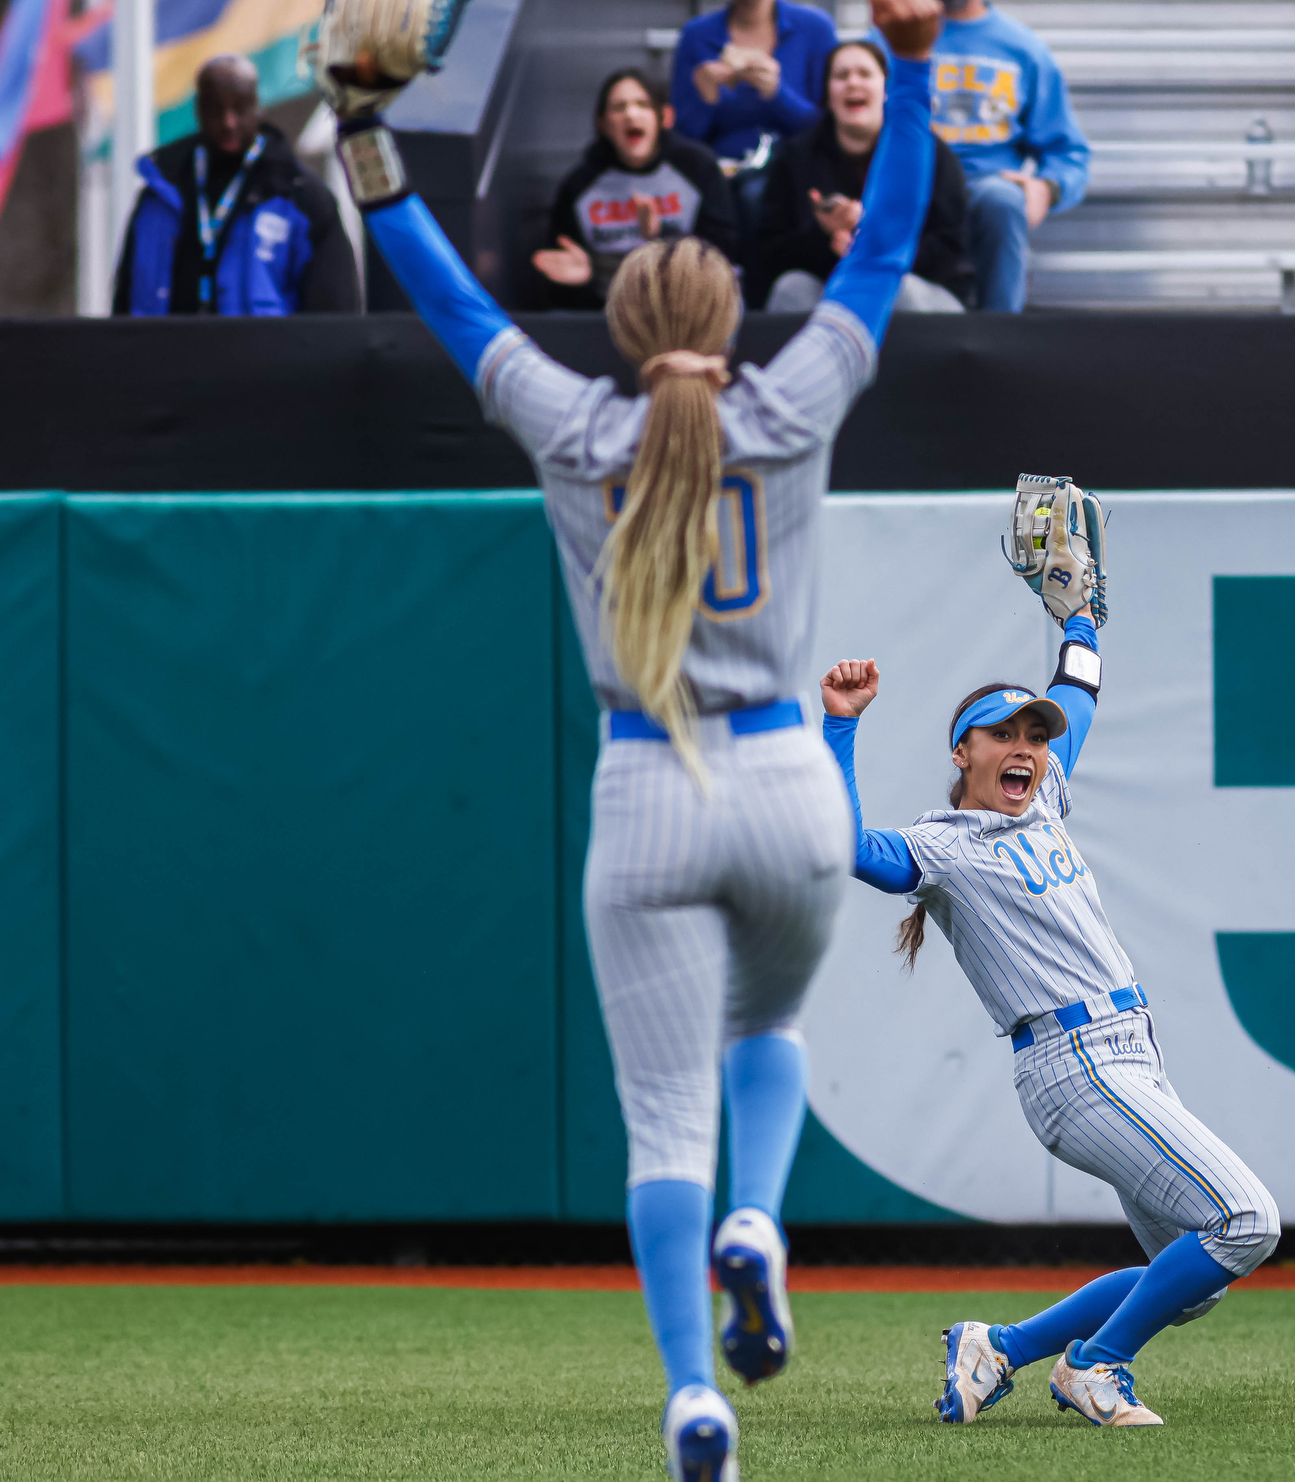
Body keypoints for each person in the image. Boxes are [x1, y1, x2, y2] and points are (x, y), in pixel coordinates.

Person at [318, 0, 944, 1474]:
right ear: (725, 319)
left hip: (646, 784)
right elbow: (882, 249)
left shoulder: (572, 425)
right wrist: (909, 67)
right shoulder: (791, 404)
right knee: (768, 1029)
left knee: (663, 1117)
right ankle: (758, 1220)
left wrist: (360, 137)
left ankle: (692, 1396)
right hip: (790, 777)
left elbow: (447, 299)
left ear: (621, 323)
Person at [817, 482, 1280, 1428]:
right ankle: (1097, 1366)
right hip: (1073, 1066)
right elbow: (844, 845)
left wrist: (1077, 618)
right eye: (1005, 735)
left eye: (1034, 735)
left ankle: (1001, 1349)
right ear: (963, 752)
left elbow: (1077, 691)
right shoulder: (943, 844)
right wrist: (841, 723)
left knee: (1192, 1280)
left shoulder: (1050, 792)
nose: (1027, 745)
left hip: (1132, 1055)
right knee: (1245, 1222)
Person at [113, 55, 359, 316]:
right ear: (198, 110)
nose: (228, 122)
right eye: (215, 109)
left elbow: (335, 315)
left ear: (258, 107)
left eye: (240, 108)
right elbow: (123, 312)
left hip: (263, 356)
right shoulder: (157, 195)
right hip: (165, 354)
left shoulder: (303, 197)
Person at [750, 39, 972, 313]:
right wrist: (823, 236)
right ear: (828, 95)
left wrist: (873, 243)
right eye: (841, 76)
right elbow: (768, 253)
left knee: (900, 292)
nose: (853, 83)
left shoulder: (929, 153)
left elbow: (951, 248)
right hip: (828, 283)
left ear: (886, 90)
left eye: (864, 74)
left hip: (917, 284)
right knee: (792, 289)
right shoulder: (796, 157)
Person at [902, 0, 1090, 311]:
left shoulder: (1024, 49)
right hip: (910, 183)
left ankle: (1000, 337)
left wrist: (1048, 188)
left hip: (984, 186)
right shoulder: (893, 36)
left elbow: (1068, 151)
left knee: (1002, 201)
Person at [536, 71, 736, 311]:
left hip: (688, 306)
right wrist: (582, 283)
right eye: (619, 107)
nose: (631, 114)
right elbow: (560, 283)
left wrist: (661, 233)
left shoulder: (697, 167)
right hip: (608, 312)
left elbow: (726, 251)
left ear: (665, 117)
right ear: (602, 124)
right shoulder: (579, 185)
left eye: (642, 105)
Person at [670, 0, 841, 163]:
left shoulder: (815, 28)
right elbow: (681, 139)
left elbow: (830, 126)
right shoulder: (695, 36)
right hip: (722, 173)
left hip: (797, 169)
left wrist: (778, 93)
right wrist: (705, 100)